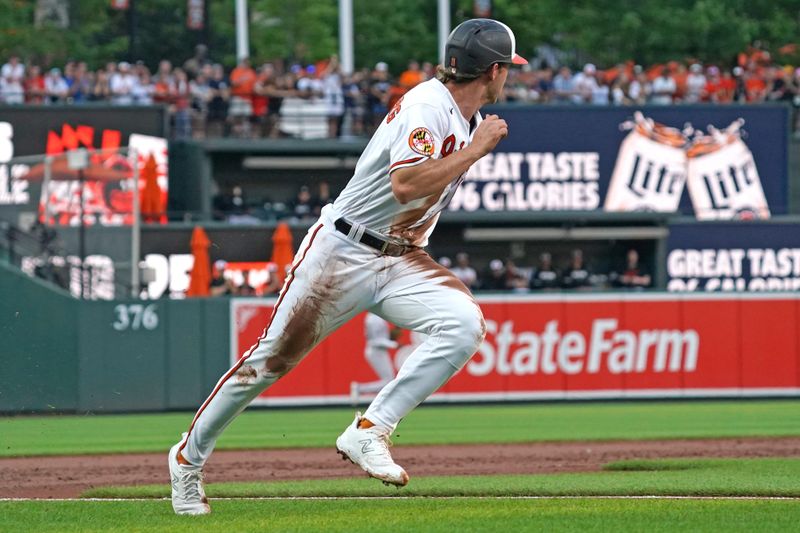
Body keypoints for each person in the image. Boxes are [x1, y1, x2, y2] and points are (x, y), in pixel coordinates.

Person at [168, 17, 525, 515]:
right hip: (343, 253)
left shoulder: (463, 115)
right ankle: (187, 458)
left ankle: (371, 430)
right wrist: (474, 150)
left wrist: (470, 144)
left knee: (463, 324)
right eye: (508, 67)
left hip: (402, 257)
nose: (510, 76)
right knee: (268, 364)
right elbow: (405, 186)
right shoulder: (430, 106)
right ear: (492, 70)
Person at [350, 313, 401, 404]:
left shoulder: (376, 316)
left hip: (379, 351)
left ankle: (362, 390)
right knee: (389, 381)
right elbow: (375, 341)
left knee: (389, 381)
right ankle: (359, 388)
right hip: (376, 351)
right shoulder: (374, 319)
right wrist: (393, 344)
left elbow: (381, 337)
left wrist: (391, 337)